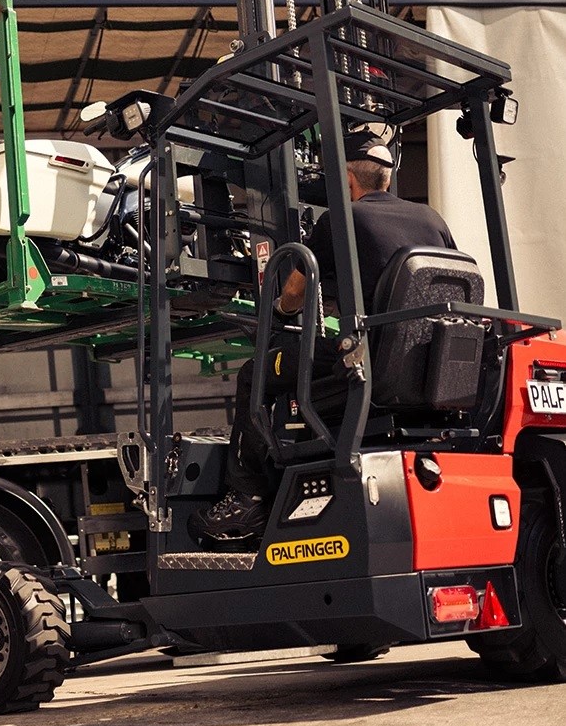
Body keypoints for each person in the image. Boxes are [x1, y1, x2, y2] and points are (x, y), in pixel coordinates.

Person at [188, 130, 457, 546]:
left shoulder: (343, 220)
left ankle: (247, 496)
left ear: (348, 181)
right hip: (428, 369)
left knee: (257, 370)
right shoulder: (432, 220)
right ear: (386, 178)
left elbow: (295, 294)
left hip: (371, 365)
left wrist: (278, 310)